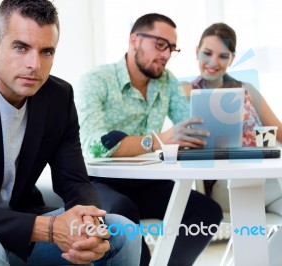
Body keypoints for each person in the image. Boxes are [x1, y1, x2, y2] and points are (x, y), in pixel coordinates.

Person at [0, 1, 141, 265]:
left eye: (46, 52)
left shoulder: (58, 98)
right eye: (21, 47)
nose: (35, 65)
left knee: (124, 233)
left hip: (21, 227)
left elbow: (74, 181)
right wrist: (49, 229)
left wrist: (89, 222)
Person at [75, 13, 223, 266]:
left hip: (148, 181)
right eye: (160, 44)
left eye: (171, 48)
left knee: (207, 212)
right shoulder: (97, 80)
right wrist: (157, 141)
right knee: (122, 211)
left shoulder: (166, 81)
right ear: (134, 40)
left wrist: (212, 128)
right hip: (100, 181)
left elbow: (189, 124)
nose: (166, 54)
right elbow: (94, 144)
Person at [183, 22, 282, 266]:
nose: (213, 61)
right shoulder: (185, 92)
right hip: (223, 184)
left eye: (223, 55)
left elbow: (277, 133)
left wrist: (252, 138)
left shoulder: (247, 90)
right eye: (207, 53)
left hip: (264, 179)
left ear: (232, 58)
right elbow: (182, 143)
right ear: (197, 51)